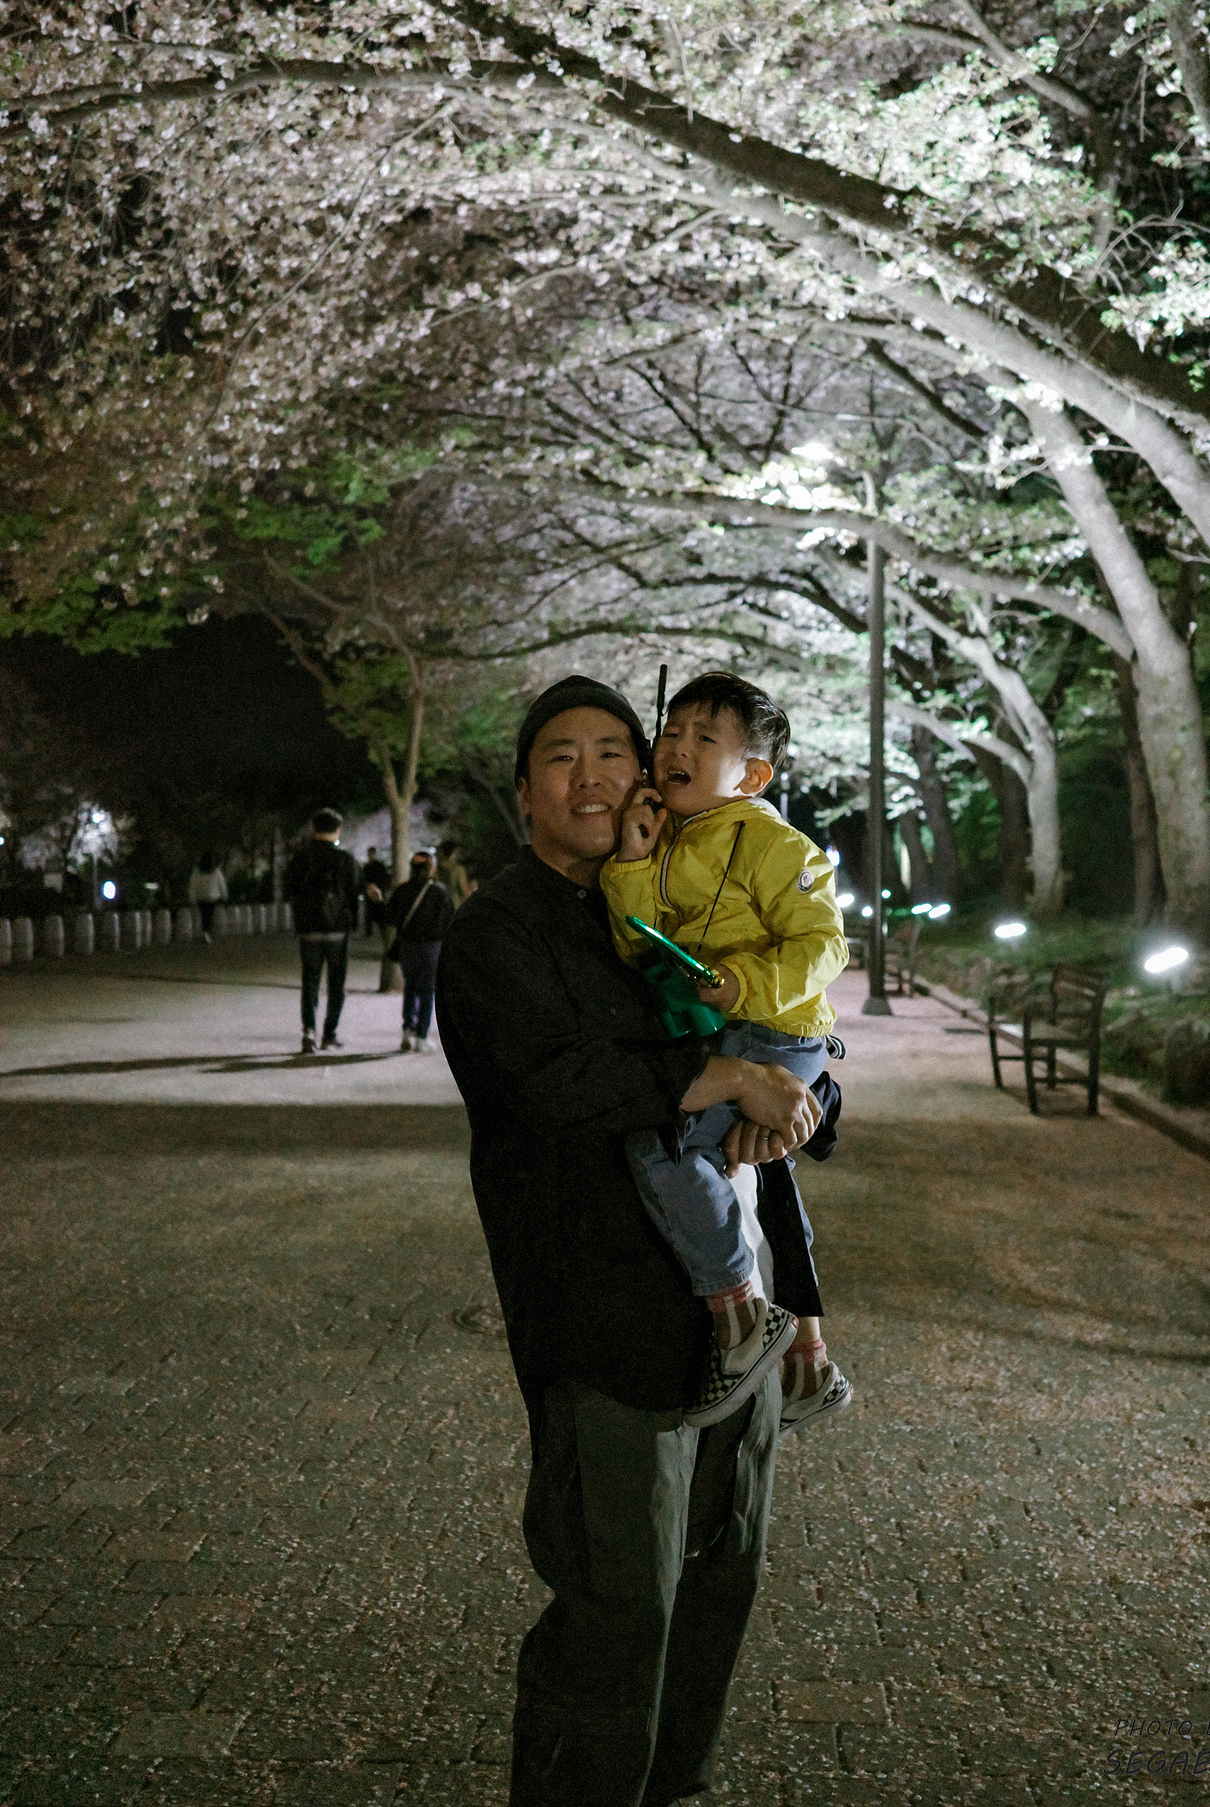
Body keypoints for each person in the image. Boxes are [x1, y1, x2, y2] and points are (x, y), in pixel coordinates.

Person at [435, 674, 821, 1807]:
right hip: (605, 1327)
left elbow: (782, 1078)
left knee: (718, 1588)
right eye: (562, 757)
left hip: (743, 1327)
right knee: (617, 1615)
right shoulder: (498, 930)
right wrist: (729, 1076)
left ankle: (676, 1786)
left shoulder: (682, 899)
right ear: (523, 791)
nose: (597, 775)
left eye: (617, 750)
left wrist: (803, 1285)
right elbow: (551, 1085)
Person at [603, 671, 852, 1434]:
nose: (675, 748)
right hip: (717, 1035)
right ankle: (806, 1361)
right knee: (752, 1169)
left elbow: (825, 945)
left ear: (751, 776)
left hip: (775, 1032)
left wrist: (743, 982)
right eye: (670, 733)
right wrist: (633, 862)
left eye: (702, 739)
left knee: (666, 1143)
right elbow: (636, 945)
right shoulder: (662, 836)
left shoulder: (776, 845)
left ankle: (740, 1314)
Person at [286, 808, 362, 1055]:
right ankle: (329, 1034)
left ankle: (308, 1032)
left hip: (309, 929)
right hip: (337, 930)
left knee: (310, 981)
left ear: (313, 829)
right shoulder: (345, 859)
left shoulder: (300, 859)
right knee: (336, 984)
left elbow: (290, 890)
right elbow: (354, 891)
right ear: (337, 830)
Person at [383, 849, 453, 1052]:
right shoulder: (440, 892)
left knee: (410, 988)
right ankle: (422, 1036)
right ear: (431, 868)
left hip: (408, 947)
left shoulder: (402, 890)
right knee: (427, 992)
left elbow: (391, 918)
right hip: (432, 948)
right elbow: (450, 921)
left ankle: (407, 1030)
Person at [187, 852, 227, 944]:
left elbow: (192, 886)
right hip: (212, 897)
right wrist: (224, 896)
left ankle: (205, 932)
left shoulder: (197, 872)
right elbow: (221, 884)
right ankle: (206, 932)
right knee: (209, 915)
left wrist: (192, 898)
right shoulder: (216, 871)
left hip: (201, 897)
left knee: (204, 915)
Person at [362, 845, 391, 937]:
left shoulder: (368, 866)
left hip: (370, 892)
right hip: (379, 892)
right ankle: (381, 931)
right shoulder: (380, 866)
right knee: (379, 913)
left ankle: (369, 932)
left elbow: (364, 880)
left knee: (370, 913)